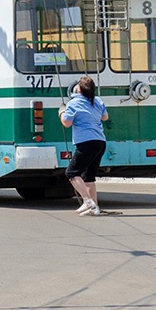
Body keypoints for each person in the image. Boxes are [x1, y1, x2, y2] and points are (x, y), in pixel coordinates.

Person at [58, 76, 109, 216]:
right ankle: (94, 207)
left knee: (71, 173)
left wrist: (62, 112)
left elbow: (66, 123)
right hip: (100, 142)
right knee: (89, 176)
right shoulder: (98, 101)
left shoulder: (74, 103)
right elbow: (105, 117)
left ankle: (87, 201)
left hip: (86, 142)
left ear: (78, 89)